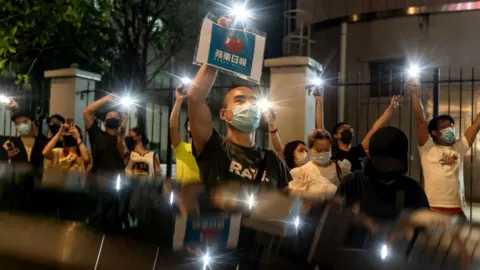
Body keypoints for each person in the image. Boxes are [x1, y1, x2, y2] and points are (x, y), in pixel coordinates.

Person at [186, 17, 291, 270]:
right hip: (218, 255)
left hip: (260, 258)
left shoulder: (273, 161)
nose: (249, 106)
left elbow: (287, 211)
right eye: (240, 100)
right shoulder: (214, 148)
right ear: (224, 115)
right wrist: (217, 52)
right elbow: (195, 98)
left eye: (253, 101)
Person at [409, 79, 480, 218]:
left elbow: (476, 125)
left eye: (451, 126)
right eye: (445, 126)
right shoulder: (427, 148)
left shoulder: (459, 147)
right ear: (434, 132)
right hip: (433, 208)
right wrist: (415, 94)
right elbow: (420, 120)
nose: (451, 129)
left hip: (457, 210)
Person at [336, 127, 430, 220]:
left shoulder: (413, 191)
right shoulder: (352, 183)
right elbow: (334, 223)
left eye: (393, 164)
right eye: (382, 164)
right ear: (368, 155)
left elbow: (426, 229)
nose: (388, 169)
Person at [320, 95, 403, 172]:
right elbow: (321, 129)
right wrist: (319, 101)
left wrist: (392, 106)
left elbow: (375, 129)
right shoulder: (333, 152)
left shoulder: (358, 151)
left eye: (350, 129)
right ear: (336, 135)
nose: (348, 130)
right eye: (344, 129)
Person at [289, 129, 350, 199]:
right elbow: (294, 199)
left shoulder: (341, 167)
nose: (323, 153)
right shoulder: (302, 172)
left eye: (327, 149)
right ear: (310, 148)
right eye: (319, 150)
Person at [83, 93, 125, 173]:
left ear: (120, 121)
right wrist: (105, 99)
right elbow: (86, 112)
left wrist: (123, 112)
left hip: (117, 178)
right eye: (110, 116)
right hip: (98, 179)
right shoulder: (96, 134)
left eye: (116, 116)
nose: (113, 117)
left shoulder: (121, 138)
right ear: (105, 122)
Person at [169, 84, 200, 184]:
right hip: (181, 195)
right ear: (187, 131)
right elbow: (173, 126)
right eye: (190, 123)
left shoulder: (208, 152)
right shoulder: (181, 148)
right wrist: (178, 101)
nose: (193, 125)